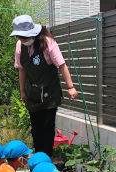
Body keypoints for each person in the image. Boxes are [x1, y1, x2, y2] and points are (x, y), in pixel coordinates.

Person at [10, 14, 78, 157]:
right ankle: (38, 157)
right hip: (32, 92)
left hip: (49, 92)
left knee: (47, 128)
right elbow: (21, 69)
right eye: (20, 37)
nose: (22, 40)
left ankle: (46, 159)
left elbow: (62, 65)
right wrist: (22, 91)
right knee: (36, 128)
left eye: (24, 37)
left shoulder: (48, 42)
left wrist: (70, 87)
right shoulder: (19, 46)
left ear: (32, 33)